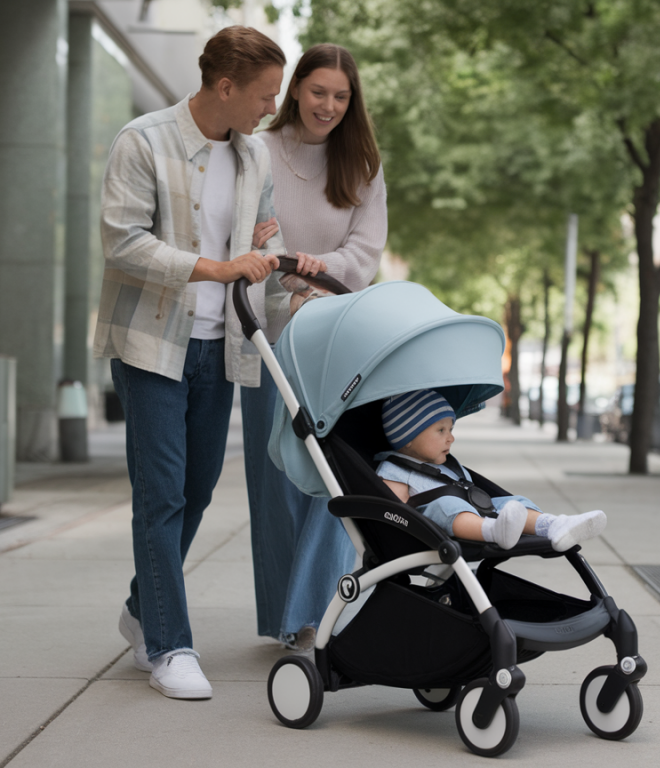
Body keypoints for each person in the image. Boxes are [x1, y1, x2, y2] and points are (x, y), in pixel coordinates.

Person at [94, 26, 288, 700]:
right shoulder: (142, 141)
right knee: (163, 493)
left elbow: (262, 231)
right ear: (225, 86)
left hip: (219, 345)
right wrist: (217, 266)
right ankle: (169, 646)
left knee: (199, 490)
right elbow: (123, 242)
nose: (270, 108)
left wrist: (273, 251)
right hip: (152, 345)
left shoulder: (254, 155)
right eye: (263, 95)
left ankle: (143, 606)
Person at [241, 44, 387, 652]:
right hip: (265, 338)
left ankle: (326, 609)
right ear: (296, 88)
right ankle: (289, 618)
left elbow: (364, 255)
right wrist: (270, 258)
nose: (329, 105)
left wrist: (309, 267)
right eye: (319, 91)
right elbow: (243, 238)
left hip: (333, 341)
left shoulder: (363, 165)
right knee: (275, 479)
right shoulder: (257, 152)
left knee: (335, 477)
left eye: (341, 96)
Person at [376, 390, 608, 551]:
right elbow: (395, 510)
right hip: (436, 525)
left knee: (513, 502)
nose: (451, 437)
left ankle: (555, 525)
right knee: (447, 506)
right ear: (407, 438)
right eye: (441, 430)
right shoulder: (393, 469)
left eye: (451, 428)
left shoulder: (445, 463)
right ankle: (495, 531)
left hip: (477, 508)